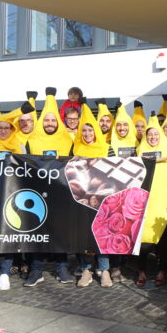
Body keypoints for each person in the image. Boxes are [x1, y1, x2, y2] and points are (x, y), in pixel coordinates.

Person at [23, 88, 74, 286]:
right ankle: (36, 269)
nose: (50, 123)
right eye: (46, 120)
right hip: (37, 192)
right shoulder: (31, 140)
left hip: (60, 192)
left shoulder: (66, 140)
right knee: (36, 230)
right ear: (42, 121)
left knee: (59, 231)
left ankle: (62, 268)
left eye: (53, 120)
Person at [0, 102, 32, 291]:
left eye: (6, 127)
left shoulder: (19, 146)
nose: (3, 131)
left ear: (12, 128)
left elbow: (26, 171)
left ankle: (5, 271)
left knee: (9, 235)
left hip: (12, 197)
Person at [71, 102, 116, 287]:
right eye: (84, 131)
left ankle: (104, 270)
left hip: (103, 198)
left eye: (90, 131)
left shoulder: (107, 148)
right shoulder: (75, 149)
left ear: (96, 131)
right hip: (82, 199)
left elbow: (115, 174)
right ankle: (87, 270)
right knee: (84, 234)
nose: (88, 134)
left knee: (102, 233)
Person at [136, 116, 167, 287]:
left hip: (162, 203)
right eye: (150, 135)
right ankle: (142, 271)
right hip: (143, 203)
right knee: (142, 239)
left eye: (156, 134)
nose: (153, 137)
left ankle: (162, 270)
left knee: (164, 240)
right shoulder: (139, 152)